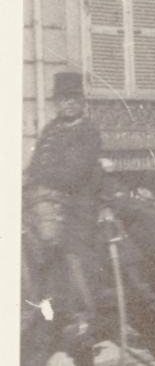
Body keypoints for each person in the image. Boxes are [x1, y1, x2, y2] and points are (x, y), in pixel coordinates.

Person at [24, 71, 107, 346]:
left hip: (79, 201)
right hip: (46, 197)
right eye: (63, 99)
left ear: (82, 102)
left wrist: (40, 180)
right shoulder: (51, 129)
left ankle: (84, 314)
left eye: (74, 99)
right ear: (56, 103)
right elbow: (36, 163)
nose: (68, 104)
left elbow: (75, 172)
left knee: (66, 246)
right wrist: (25, 179)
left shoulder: (88, 131)